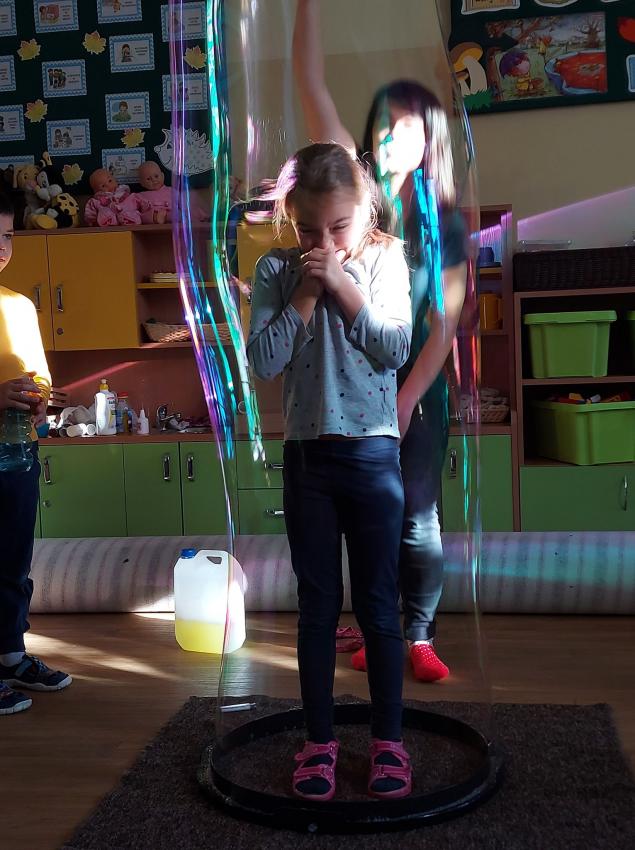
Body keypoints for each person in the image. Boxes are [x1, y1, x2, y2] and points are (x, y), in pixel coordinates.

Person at [293, 0, 468, 682]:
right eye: (385, 122)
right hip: (349, 388)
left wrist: (408, 398)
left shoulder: (443, 221)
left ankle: (416, 635)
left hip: (414, 383)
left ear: (430, 138)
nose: (393, 134)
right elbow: (311, 83)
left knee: (415, 515)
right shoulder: (355, 191)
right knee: (362, 516)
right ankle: (379, 627)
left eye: (408, 125)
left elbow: (445, 323)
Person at [247, 142, 412, 801]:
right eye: (308, 230)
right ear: (290, 220)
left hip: (372, 455)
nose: (323, 243)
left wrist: (342, 286)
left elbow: (394, 347)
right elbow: (264, 361)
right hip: (309, 459)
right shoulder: (275, 269)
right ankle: (318, 742)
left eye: (338, 227)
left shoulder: (384, 258)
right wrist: (308, 291)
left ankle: (388, 740)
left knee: (377, 603)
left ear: (364, 209)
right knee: (316, 606)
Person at [0, 193, 72, 715]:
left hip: (18, 452)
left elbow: (38, 379)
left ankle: (10, 655)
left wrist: (42, 399)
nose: (1, 248)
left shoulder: (20, 306)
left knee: (13, 562)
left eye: (6, 236)